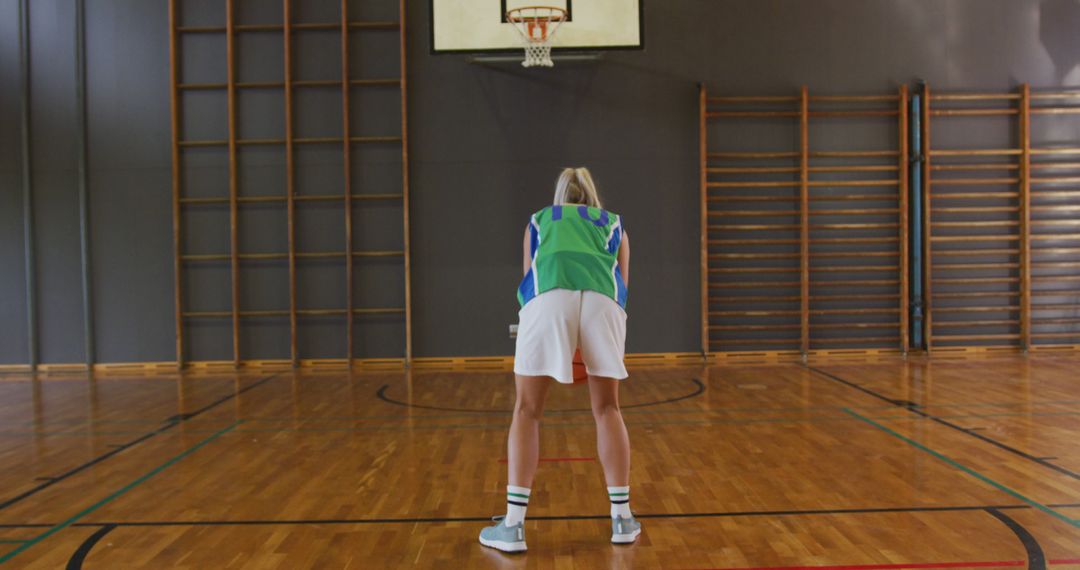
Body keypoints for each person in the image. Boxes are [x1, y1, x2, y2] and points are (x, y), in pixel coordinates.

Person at [479, 167, 639, 553]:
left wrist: (555, 336)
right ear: (592, 195)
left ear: (560, 196)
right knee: (607, 409)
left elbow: (529, 283)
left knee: (527, 410)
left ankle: (514, 525)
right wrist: (588, 343)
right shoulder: (614, 224)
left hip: (548, 297)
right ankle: (622, 517)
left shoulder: (539, 221)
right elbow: (622, 289)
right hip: (603, 304)